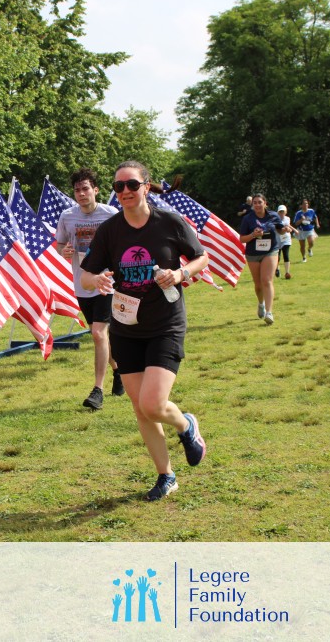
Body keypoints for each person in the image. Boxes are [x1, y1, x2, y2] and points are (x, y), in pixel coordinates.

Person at [80, 160, 209, 502]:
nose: (125, 191)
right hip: (126, 327)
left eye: (132, 185)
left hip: (165, 325)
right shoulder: (110, 230)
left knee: (152, 404)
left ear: (146, 187)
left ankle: (186, 425)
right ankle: (166, 475)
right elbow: (86, 276)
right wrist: (98, 280)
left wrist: (180, 274)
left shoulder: (169, 222)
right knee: (141, 408)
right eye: (119, 186)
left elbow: (201, 258)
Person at [55, 168, 122, 410]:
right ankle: (118, 371)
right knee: (99, 333)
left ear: (95, 190)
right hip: (82, 282)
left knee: (98, 333)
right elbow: (59, 244)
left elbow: (123, 242)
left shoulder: (111, 214)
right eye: (77, 190)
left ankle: (97, 390)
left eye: (85, 189)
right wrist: (64, 251)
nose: (81, 194)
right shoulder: (67, 216)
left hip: (107, 281)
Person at [239, 194, 289, 325]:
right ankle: (261, 303)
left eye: (259, 202)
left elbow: (280, 230)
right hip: (253, 254)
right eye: (254, 203)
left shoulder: (273, 216)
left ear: (265, 203)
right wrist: (253, 235)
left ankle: (269, 312)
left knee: (267, 280)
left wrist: (285, 229)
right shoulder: (247, 219)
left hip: (270, 251)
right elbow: (242, 239)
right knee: (258, 285)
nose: (257, 205)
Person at [275, 205, 297, 279]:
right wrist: (286, 229)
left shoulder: (287, 218)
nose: (281, 213)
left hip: (286, 239)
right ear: (278, 212)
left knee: (286, 255)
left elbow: (288, 226)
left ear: (285, 212)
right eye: (280, 212)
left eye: (283, 212)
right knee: (277, 256)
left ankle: (287, 272)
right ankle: (277, 269)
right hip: (277, 239)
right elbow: (278, 229)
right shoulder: (275, 219)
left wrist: (293, 230)